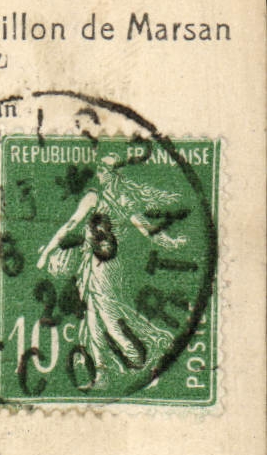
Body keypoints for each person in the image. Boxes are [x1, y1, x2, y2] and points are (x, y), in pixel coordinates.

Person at [35, 152, 186, 383]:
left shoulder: (115, 199)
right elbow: (73, 224)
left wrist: (171, 243)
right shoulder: (98, 197)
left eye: (104, 171)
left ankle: (142, 349)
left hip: (107, 266)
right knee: (93, 312)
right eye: (99, 170)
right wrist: (47, 251)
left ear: (114, 174)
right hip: (92, 263)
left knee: (107, 311)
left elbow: (146, 228)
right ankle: (100, 368)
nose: (99, 174)